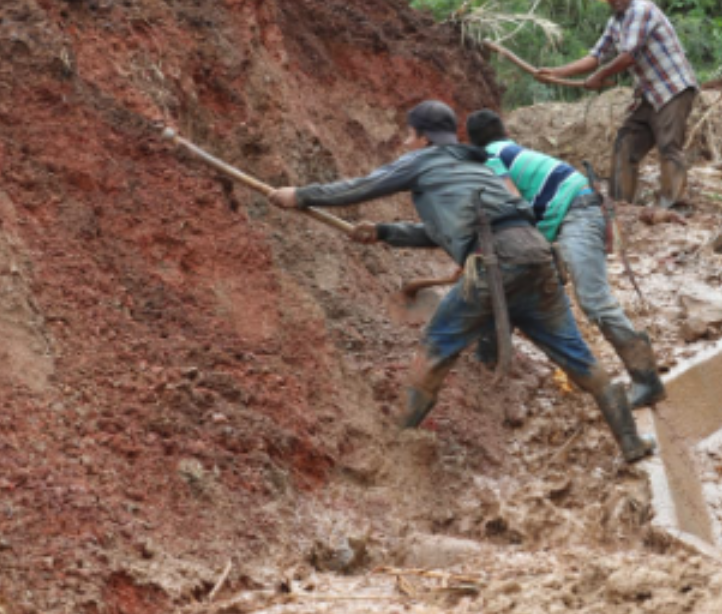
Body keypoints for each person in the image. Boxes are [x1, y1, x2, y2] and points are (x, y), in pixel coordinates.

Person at [267, 101, 655, 463]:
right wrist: (385, 231)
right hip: (537, 256)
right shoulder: (480, 168)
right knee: (575, 354)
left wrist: (300, 195)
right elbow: (451, 231)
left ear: (422, 138)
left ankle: (394, 445)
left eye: (408, 136)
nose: (406, 144)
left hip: (494, 261)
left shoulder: (422, 161)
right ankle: (631, 441)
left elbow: (360, 187)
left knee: (436, 345)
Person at [466, 109, 667, 409]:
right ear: (505, 131)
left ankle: (647, 379)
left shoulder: (490, 156)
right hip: (574, 211)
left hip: (577, 213)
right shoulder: (511, 151)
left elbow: (515, 202)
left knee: (594, 300)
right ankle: (489, 359)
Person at [536, 0, 699, 209]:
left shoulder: (641, 10)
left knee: (669, 146)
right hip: (648, 94)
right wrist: (555, 73)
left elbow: (628, 56)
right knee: (626, 142)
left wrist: (598, 76)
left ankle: (674, 206)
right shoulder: (616, 22)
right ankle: (620, 205)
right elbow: (595, 56)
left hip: (672, 88)